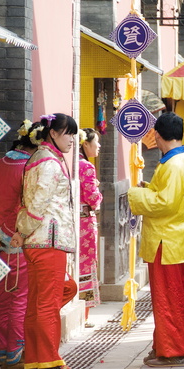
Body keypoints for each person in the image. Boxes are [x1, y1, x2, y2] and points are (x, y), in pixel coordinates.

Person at [128, 112, 184, 368]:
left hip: (166, 242)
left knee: (168, 299)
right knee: (171, 298)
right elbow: (168, 197)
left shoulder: (174, 165)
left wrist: (135, 195)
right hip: (174, 240)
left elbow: (164, 203)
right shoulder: (182, 160)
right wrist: (148, 189)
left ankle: (172, 351)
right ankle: (164, 346)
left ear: (158, 135)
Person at [12, 113, 79, 369]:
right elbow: (37, 206)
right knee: (47, 304)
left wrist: (22, 233)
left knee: (39, 303)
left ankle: (37, 360)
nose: (72, 139)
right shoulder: (50, 163)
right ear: (53, 133)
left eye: (73, 134)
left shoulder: (37, 159)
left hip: (39, 241)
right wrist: (22, 231)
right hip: (47, 242)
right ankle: (49, 360)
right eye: (68, 133)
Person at [0, 120, 41, 369]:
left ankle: (5, 353)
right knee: (19, 300)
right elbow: (23, 207)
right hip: (17, 240)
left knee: (3, 300)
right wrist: (11, 235)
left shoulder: (1, 163)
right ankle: (16, 355)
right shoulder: (28, 167)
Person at [78, 128, 103, 327]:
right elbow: (93, 198)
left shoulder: (70, 164)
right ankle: (84, 313)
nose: (99, 146)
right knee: (86, 266)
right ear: (85, 144)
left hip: (72, 221)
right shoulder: (86, 167)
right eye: (96, 142)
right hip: (85, 223)